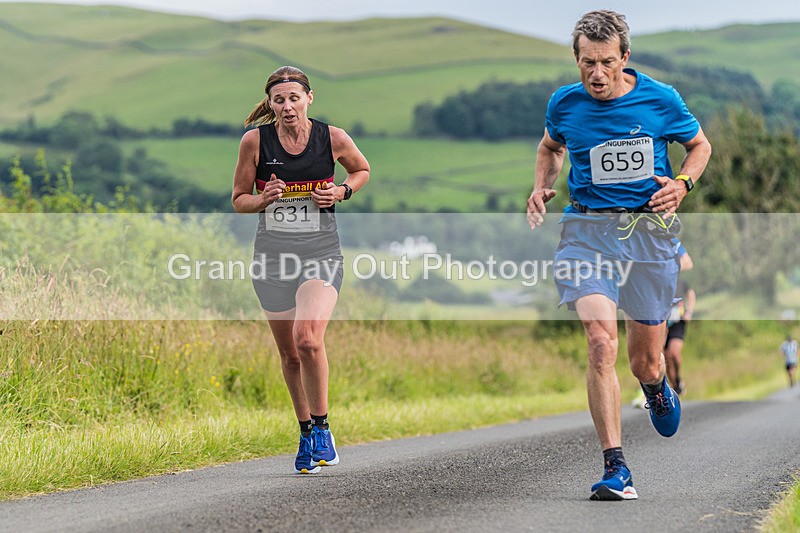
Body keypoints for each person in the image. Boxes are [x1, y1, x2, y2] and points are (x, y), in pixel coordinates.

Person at [526, 10, 712, 501]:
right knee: (600, 342)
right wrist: (542, 186)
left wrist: (682, 183)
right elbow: (550, 147)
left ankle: (655, 388)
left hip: (649, 236)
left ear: (625, 58)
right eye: (588, 63)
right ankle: (616, 466)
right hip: (586, 232)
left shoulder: (660, 99)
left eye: (607, 62)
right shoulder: (564, 104)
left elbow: (699, 145)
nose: (597, 74)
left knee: (645, 362)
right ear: (577, 59)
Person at [232, 66, 370, 474]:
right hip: (272, 258)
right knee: (290, 355)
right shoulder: (255, 142)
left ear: (309, 98)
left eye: (295, 98)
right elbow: (239, 198)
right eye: (279, 100)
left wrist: (342, 190)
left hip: (321, 253)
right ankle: (306, 430)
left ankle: (324, 428)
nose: (288, 106)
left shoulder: (334, 138)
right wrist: (263, 200)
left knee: (308, 338)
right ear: (270, 105)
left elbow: (361, 170)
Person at [664, 242, 695, 395]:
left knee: (674, 353)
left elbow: (691, 294)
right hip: (662, 321)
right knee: (666, 357)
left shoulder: (680, 282)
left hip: (678, 321)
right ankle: (675, 386)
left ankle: (677, 379)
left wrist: (689, 312)